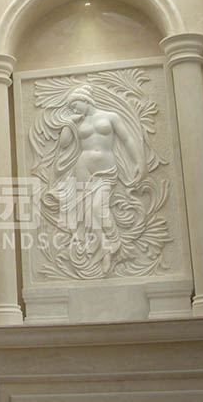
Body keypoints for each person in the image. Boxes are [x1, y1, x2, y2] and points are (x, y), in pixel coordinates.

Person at [47, 85, 145, 275]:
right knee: (89, 214)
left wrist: (139, 162)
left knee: (98, 207)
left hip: (106, 168)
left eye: (75, 105)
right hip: (83, 167)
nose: (74, 109)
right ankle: (106, 250)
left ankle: (114, 241)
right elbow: (64, 143)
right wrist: (69, 122)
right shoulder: (77, 121)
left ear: (85, 100)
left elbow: (127, 140)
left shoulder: (110, 116)